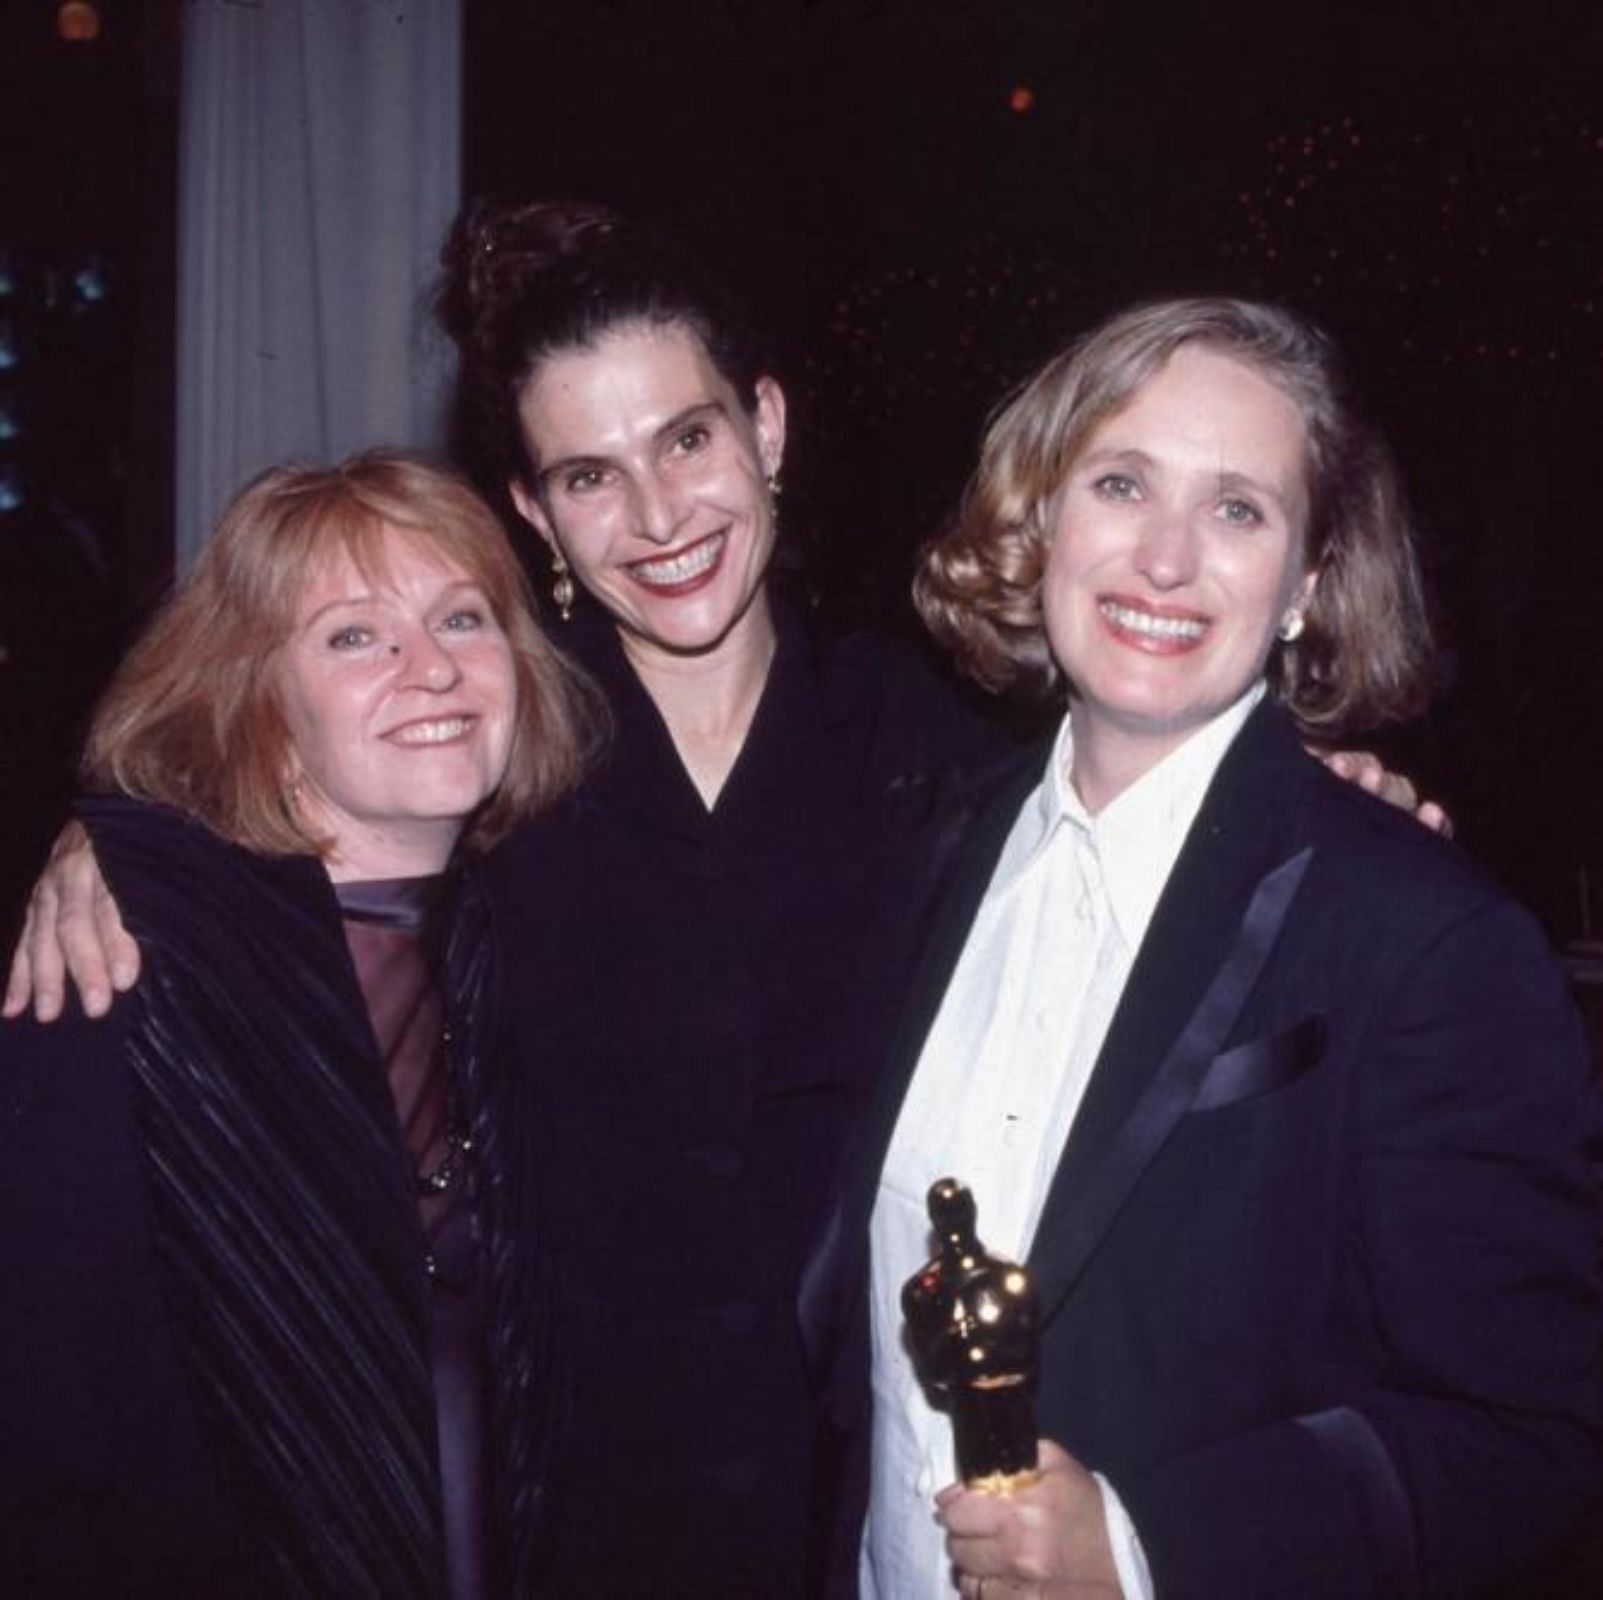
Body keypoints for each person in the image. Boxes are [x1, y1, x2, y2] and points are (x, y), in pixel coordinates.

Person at [2, 213, 1444, 1596]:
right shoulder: (494, 764)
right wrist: (121, 844)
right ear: (534, 512)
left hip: (860, 1516)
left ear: (764, 428)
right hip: (566, 1522)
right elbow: (294, 824)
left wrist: (1306, 798)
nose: (654, 515)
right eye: (587, 474)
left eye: (686, 439)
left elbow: (1148, 831)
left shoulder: (936, 746)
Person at [804, 298, 1602, 1598]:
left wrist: (1144, 1546)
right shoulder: (929, 853)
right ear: (1040, 516)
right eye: (1120, 483)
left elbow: (1528, 1438)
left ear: (1301, 584)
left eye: (1236, 509)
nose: (1164, 560)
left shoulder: (1424, 938)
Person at [0, 451, 594, 1597]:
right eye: (356, 637)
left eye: (461, 617)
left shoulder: (518, 954)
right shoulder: (123, 972)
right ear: (262, 703)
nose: (430, 669)